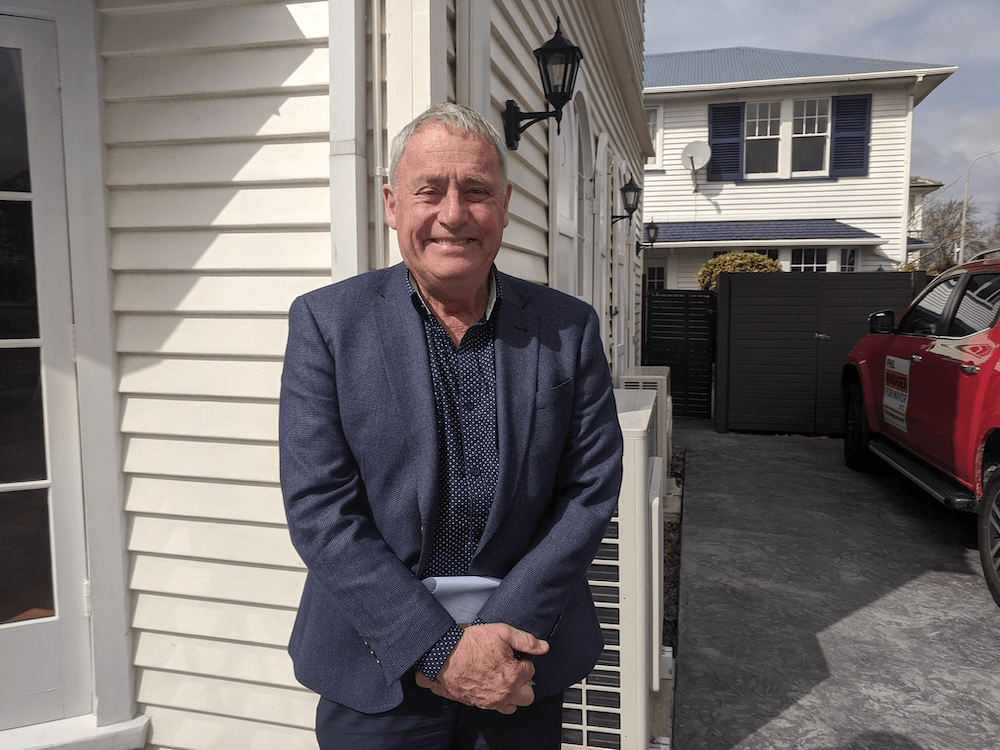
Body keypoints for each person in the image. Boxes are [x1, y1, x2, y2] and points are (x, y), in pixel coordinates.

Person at [279, 101, 623, 749]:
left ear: (507, 203)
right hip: (374, 664)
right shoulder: (328, 325)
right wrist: (439, 650)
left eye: (476, 191)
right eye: (428, 191)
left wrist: (496, 643)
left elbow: (589, 493)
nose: (453, 214)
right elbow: (320, 509)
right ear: (391, 204)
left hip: (522, 659)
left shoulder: (567, 328)